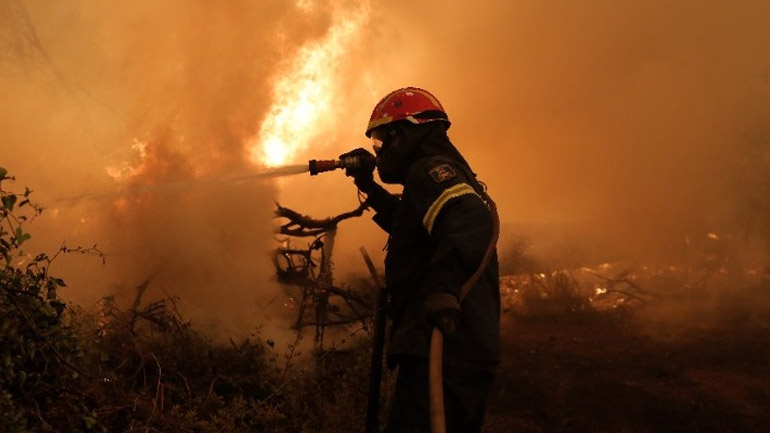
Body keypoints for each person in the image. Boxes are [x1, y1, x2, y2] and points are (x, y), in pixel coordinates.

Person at [341, 87, 500, 433]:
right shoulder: (438, 174)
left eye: (382, 142)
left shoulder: (430, 170)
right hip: (452, 346)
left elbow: (470, 219)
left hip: (445, 346)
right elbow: (412, 225)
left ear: (403, 135)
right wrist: (368, 186)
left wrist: (443, 290)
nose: (379, 152)